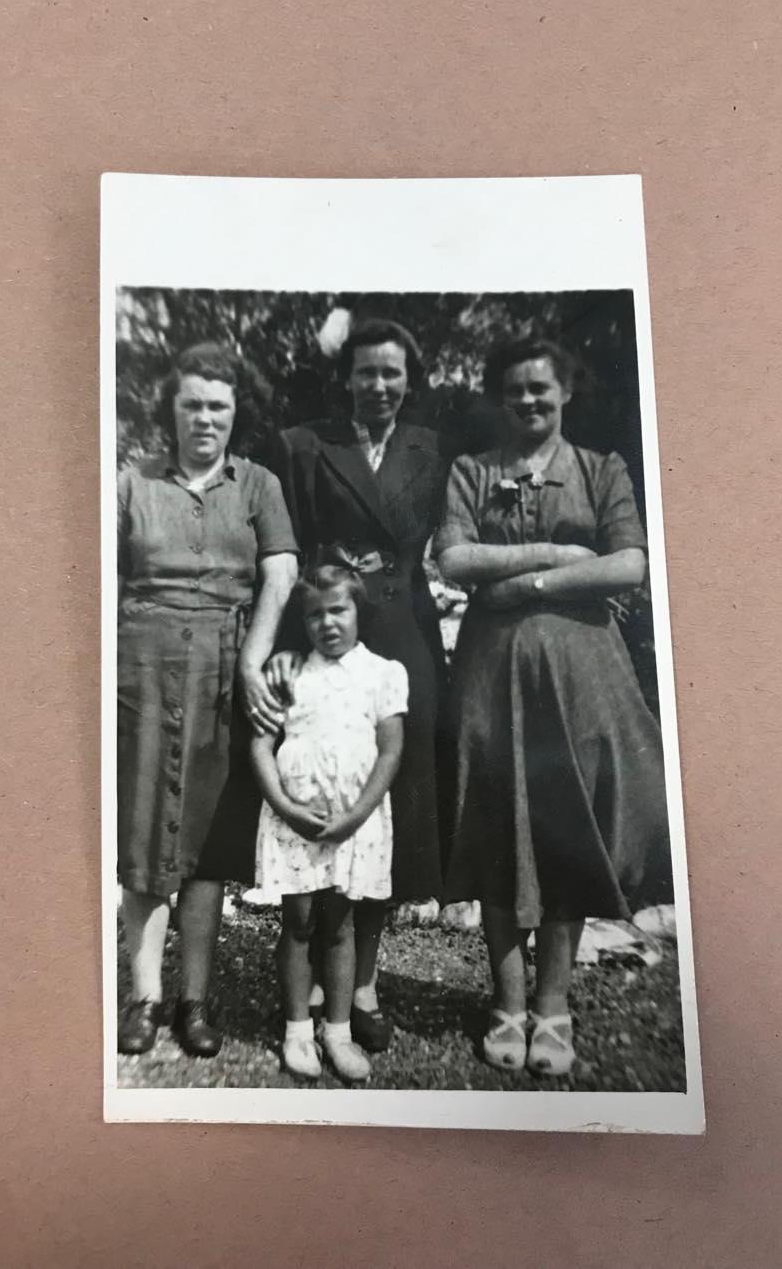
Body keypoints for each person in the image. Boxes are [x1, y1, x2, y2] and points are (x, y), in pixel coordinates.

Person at [436, 335, 673, 1078]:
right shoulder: (473, 471)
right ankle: (508, 1003)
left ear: (565, 391)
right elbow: (454, 556)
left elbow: (630, 562)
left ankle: (555, 1005)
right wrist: (561, 557)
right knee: (496, 827)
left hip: (580, 680)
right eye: (515, 390)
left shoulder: (602, 470)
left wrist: (526, 587)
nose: (528, 400)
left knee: (566, 829)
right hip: (492, 679)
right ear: (499, 398)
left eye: (541, 388)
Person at [262, 317, 451, 1053]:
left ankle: (363, 980)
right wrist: (286, 646)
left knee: (391, 808)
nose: (379, 385)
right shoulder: (305, 445)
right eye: (366, 372)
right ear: (345, 378)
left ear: (409, 379)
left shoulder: (430, 448)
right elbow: (289, 556)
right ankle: (314, 972)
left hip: (401, 636)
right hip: (324, 629)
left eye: (391, 372)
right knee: (320, 789)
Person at [116, 342, 297, 1056]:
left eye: (217, 406)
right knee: (142, 837)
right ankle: (144, 998)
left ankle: (193, 1001)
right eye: (191, 404)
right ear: (171, 409)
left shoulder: (259, 485)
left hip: (224, 672)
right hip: (142, 671)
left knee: (208, 845)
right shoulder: (131, 485)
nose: (204, 418)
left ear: (234, 412)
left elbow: (281, 574)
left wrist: (253, 659)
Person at [251, 566, 407, 1083]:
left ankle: (337, 1032)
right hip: (295, 822)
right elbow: (260, 745)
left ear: (359, 611)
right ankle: (298, 1029)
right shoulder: (290, 674)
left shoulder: (383, 674)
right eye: (314, 614)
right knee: (298, 923)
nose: (328, 623)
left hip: (352, 822)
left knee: (340, 926)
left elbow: (391, 751)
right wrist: (285, 807)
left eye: (338, 609)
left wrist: (357, 816)